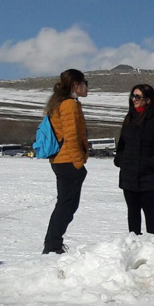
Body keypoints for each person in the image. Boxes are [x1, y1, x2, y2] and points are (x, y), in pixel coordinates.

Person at [113, 84, 154, 236]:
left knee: (149, 209)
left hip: (150, 175)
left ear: (148, 100)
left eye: (138, 97)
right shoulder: (128, 119)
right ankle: (134, 243)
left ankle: (152, 243)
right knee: (132, 210)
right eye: (133, 96)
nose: (134, 100)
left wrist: (152, 162)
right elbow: (121, 144)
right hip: (128, 173)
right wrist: (120, 159)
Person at [43, 69, 90, 254]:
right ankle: (52, 247)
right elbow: (71, 136)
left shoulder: (60, 103)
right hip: (68, 162)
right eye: (86, 82)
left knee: (65, 204)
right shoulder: (69, 105)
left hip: (62, 161)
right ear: (75, 85)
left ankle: (53, 245)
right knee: (66, 205)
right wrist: (79, 163)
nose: (88, 87)